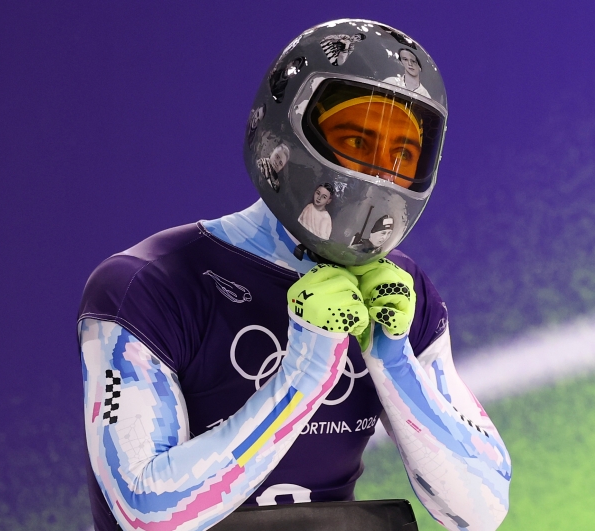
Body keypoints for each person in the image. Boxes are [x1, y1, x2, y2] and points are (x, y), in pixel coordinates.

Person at [80, 19, 510, 531]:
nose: (378, 174)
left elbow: (481, 509)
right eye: (356, 139)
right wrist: (304, 376)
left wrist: (393, 360)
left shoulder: (403, 295)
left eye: (403, 155)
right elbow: (143, 510)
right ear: (284, 128)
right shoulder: (144, 285)